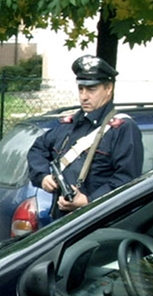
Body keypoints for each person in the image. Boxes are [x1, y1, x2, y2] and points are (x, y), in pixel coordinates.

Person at [28, 54, 144, 213]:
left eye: (91, 89)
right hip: (62, 220)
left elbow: (126, 181)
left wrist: (89, 201)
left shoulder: (122, 129)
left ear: (109, 88)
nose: (84, 96)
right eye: (81, 89)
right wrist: (43, 177)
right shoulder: (71, 124)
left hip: (96, 223)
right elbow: (38, 148)